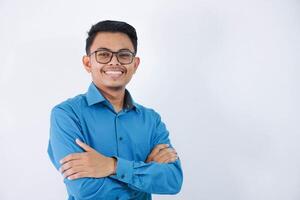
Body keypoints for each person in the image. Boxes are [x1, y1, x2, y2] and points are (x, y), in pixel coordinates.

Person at [47, 20, 183, 200]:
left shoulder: (151, 119)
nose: (114, 62)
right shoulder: (67, 115)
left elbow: (173, 181)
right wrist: (143, 174)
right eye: (103, 54)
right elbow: (84, 190)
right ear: (88, 63)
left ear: (135, 64)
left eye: (124, 55)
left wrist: (112, 166)